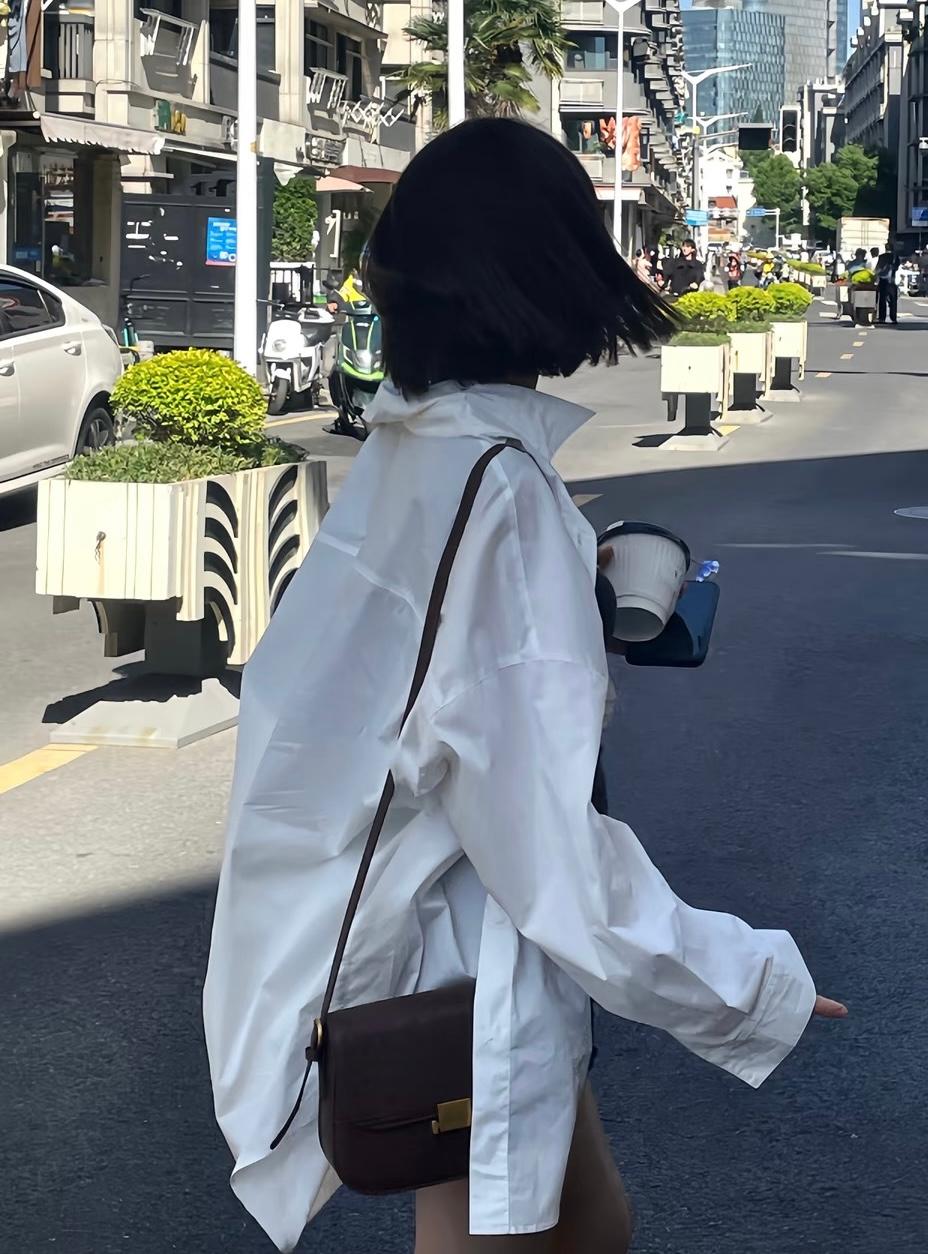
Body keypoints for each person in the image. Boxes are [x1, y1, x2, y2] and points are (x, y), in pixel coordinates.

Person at [203, 118, 845, 1254]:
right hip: (459, 962)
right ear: (549, 273)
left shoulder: (416, 450)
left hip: (403, 931)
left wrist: (565, 597)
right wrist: (744, 983)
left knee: (587, 1225)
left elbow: (420, 677)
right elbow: (545, 846)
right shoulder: (498, 492)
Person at [875, 249, 899, 324]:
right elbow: (897, 267)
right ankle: (893, 318)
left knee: (882, 300)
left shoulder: (882, 257)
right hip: (891, 280)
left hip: (883, 280)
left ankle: (882, 318)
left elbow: (878, 268)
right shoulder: (895, 257)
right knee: (893, 300)